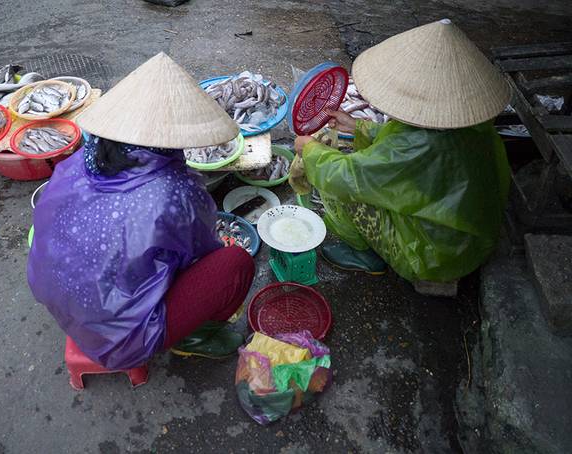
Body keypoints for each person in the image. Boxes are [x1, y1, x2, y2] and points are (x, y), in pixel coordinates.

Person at [27, 53, 255, 371]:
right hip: (122, 342)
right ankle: (192, 337)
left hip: (55, 294)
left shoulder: (76, 162)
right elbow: (202, 254)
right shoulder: (176, 192)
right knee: (234, 263)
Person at [291, 19, 511, 284]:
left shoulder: (418, 146)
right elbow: (405, 141)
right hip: (470, 241)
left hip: (432, 257)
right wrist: (358, 126)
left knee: (331, 181)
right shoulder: (467, 124)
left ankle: (364, 255)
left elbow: (346, 176)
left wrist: (310, 149)